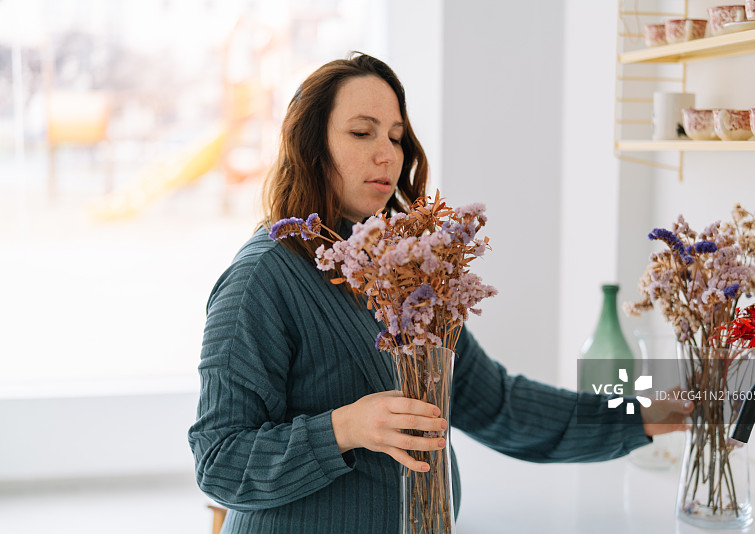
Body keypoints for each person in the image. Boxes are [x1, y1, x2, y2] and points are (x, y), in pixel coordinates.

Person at [188, 52, 691, 534]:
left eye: (396, 136)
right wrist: (344, 428)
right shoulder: (261, 280)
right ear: (312, 148)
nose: (386, 153)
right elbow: (218, 460)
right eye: (361, 133)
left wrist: (639, 414)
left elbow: (497, 404)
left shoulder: (402, 274)